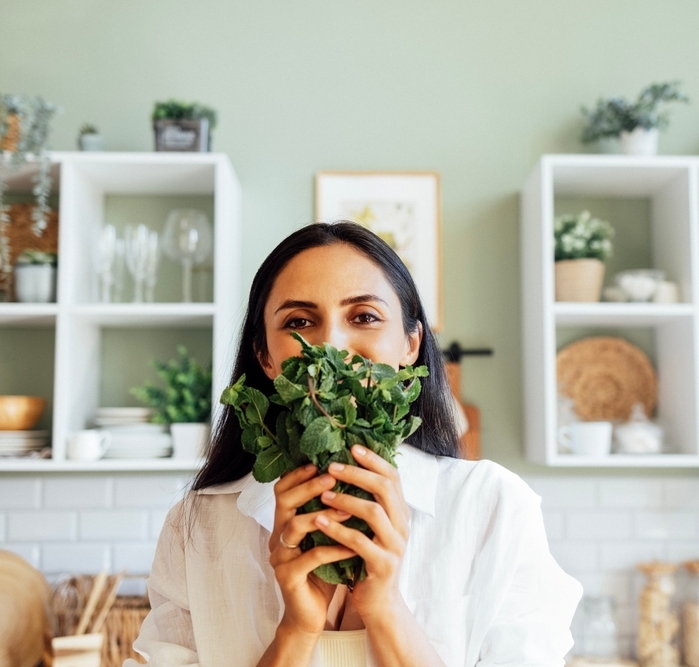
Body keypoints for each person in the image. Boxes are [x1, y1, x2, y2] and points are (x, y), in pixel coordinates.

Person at [127, 222, 582, 667]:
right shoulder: (198, 526)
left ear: (410, 344)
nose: (331, 347)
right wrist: (296, 629)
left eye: (364, 317)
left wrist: (386, 608)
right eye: (300, 321)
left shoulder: (493, 507)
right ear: (265, 356)